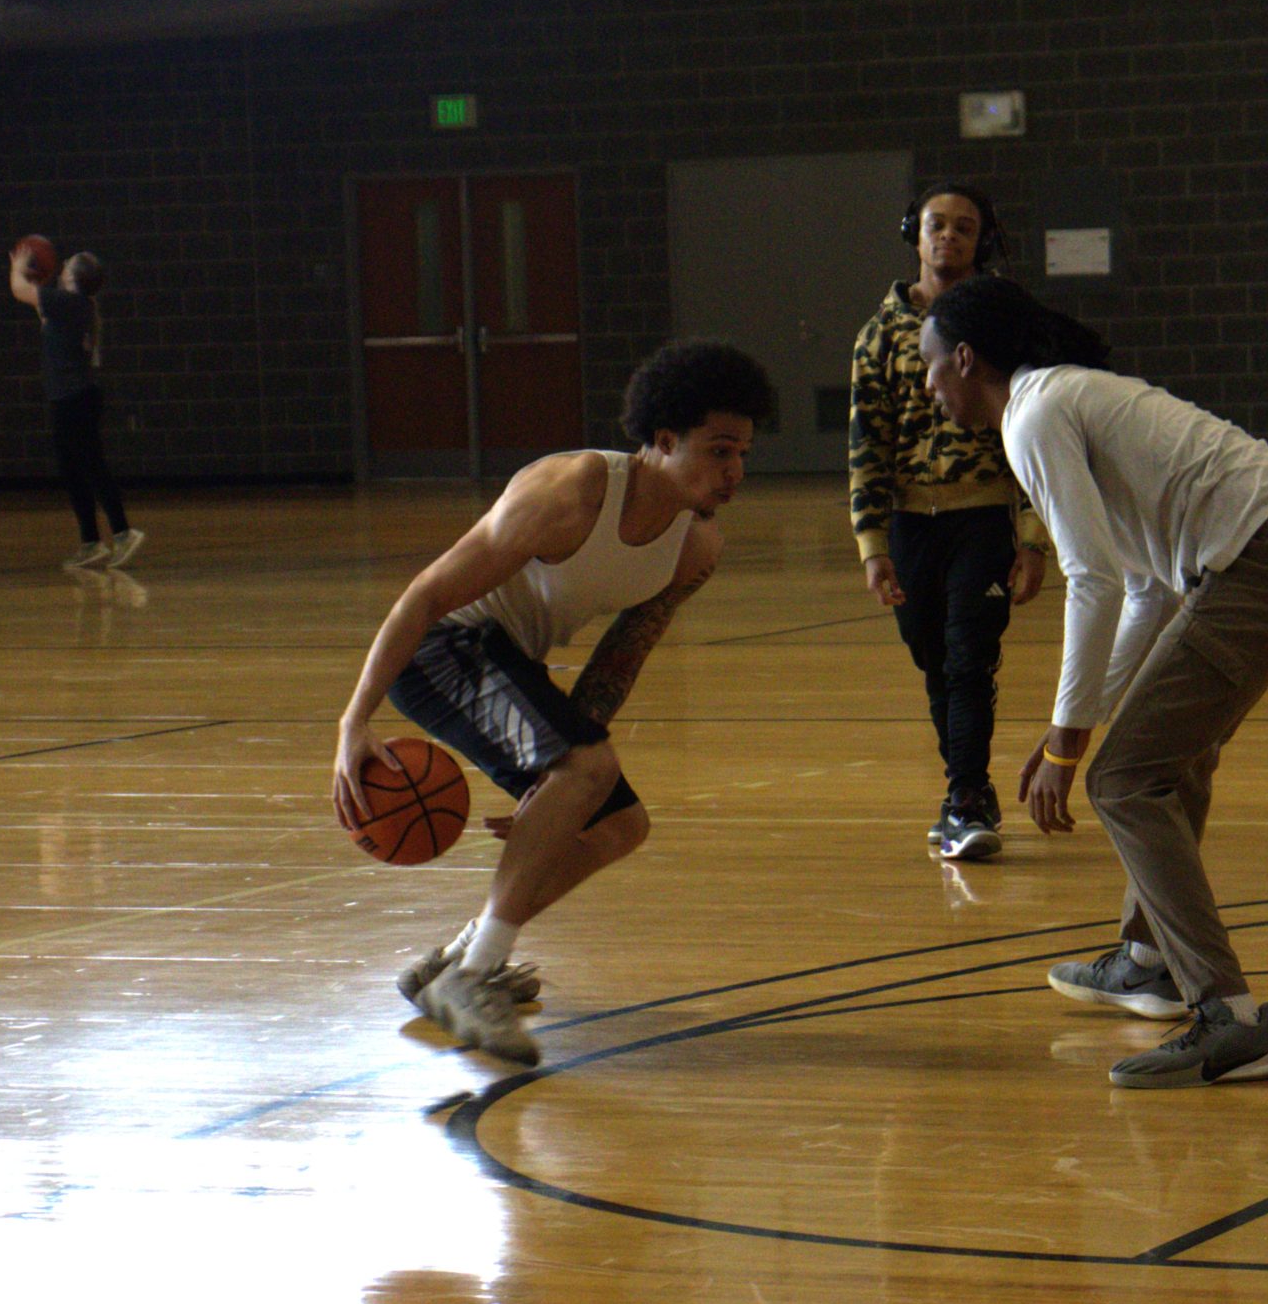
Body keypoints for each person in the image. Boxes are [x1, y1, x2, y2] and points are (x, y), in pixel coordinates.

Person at [919, 276, 1268, 1090]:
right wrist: (1072, 725)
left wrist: (1069, 742)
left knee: (1125, 777)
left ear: (967, 358)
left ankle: (1231, 1020)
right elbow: (1144, 587)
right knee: (1166, 760)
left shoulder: (1036, 413)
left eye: (931, 367)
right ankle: (1151, 960)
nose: (928, 386)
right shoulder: (1065, 398)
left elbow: (1091, 581)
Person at [331, 341, 774, 1066]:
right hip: (442, 648)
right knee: (586, 772)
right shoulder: (571, 491)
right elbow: (427, 594)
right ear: (663, 441)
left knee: (620, 824)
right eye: (719, 450)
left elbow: (622, 656)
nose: (735, 473)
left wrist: (561, 782)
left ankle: (455, 961)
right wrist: (355, 720)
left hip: (504, 665)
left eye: (744, 454)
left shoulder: (696, 546)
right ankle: (473, 980)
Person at [849, 182, 1046, 862]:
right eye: (937, 225)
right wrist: (873, 543)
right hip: (910, 525)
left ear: (981, 241)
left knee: (968, 657)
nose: (949, 238)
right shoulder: (879, 334)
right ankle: (966, 789)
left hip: (983, 516)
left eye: (965, 228)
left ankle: (965, 796)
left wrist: (1032, 538)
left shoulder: (1000, 325)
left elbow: (1030, 432)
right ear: (914, 232)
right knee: (934, 659)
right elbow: (867, 442)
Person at [9, 245, 142, 569]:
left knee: (92, 467)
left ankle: (123, 533)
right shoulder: (72, 306)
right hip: (72, 397)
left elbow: (19, 291)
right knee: (73, 471)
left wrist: (17, 265)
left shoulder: (69, 303)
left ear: (73, 276)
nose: (62, 264)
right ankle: (91, 542)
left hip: (75, 399)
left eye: (67, 265)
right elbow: (42, 312)